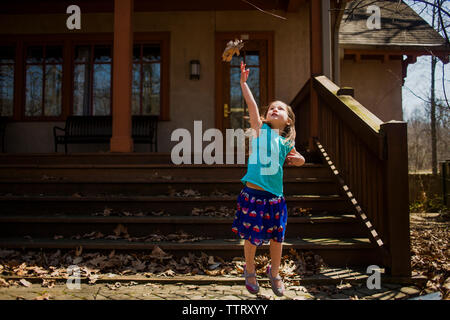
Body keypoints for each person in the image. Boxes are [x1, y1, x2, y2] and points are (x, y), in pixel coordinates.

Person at [231, 61, 305, 296]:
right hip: (253, 195)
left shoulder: (286, 143)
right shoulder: (259, 129)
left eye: (280, 109)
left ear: (288, 121)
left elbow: (300, 158)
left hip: (275, 198)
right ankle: (250, 268)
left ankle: (274, 272)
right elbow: (252, 106)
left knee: (276, 239)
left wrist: (298, 160)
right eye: (271, 108)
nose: (274, 110)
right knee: (253, 238)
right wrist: (243, 83)